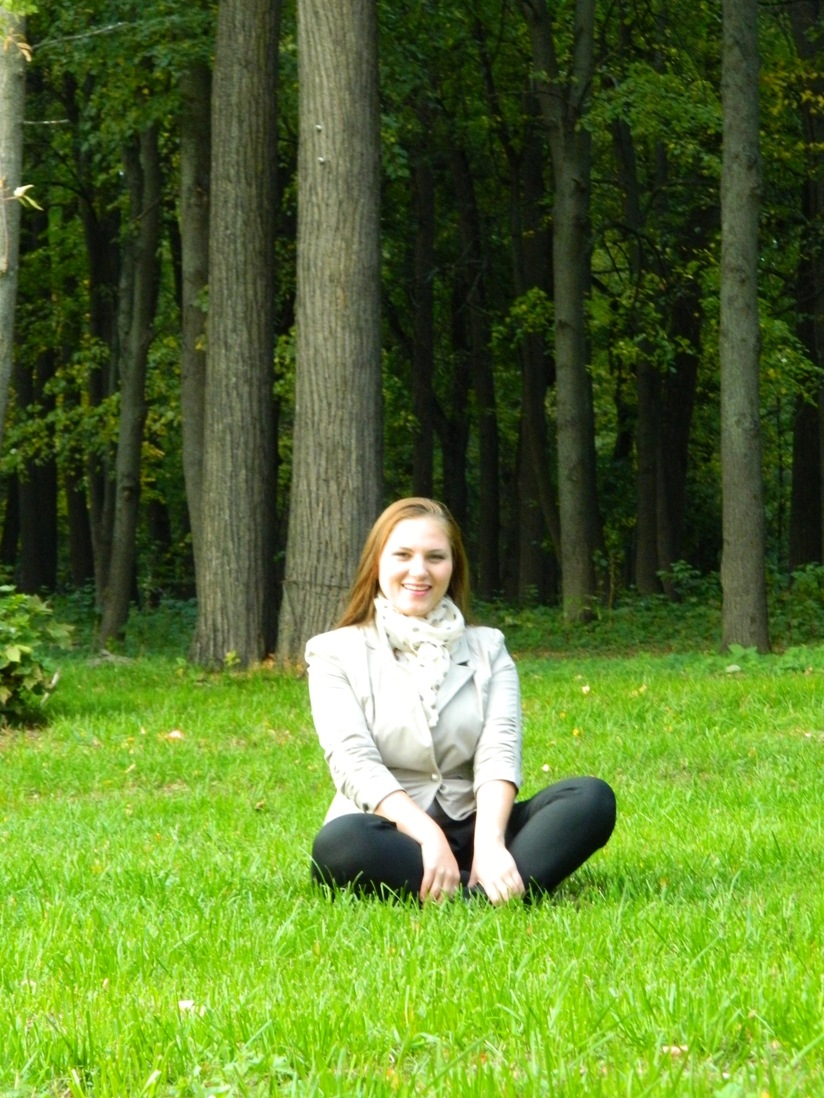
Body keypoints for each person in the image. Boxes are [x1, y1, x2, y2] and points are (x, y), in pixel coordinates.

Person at [305, 497, 616, 904]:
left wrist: (490, 844)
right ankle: (494, 893)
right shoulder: (333, 652)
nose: (419, 570)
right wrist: (428, 835)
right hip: (391, 832)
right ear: (377, 562)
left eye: (435, 557)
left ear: (453, 568)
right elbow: (354, 764)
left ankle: (478, 884)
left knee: (591, 799)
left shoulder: (489, 648)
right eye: (403, 555)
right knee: (339, 846)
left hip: (478, 824)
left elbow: (498, 751)